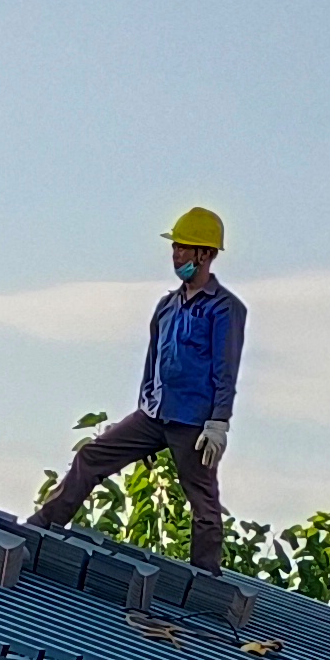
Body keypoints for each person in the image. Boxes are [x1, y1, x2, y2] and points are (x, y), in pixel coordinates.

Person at [30, 206, 245, 572]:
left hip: (193, 422)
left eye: (184, 248)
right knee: (91, 457)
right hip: (154, 414)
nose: (176, 255)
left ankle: (206, 580)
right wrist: (145, 406)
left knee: (203, 502)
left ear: (205, 254)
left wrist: (218, 423)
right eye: (174, 247)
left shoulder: (224, 308)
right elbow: (153, 362)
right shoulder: (167, 306)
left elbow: (226, 369)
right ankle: (40, 528)